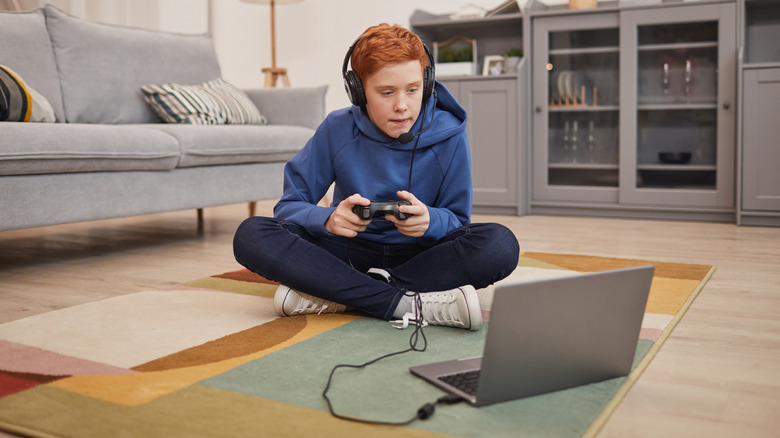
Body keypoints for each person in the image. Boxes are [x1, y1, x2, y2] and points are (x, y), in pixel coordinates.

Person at [233, 23, 519, 331]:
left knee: (500, 244)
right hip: (346, 251)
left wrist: (429, 221)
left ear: (427, 82)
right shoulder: (336, 128)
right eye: (386, 92)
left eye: (413, 90)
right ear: (358, 91)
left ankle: (338, 295)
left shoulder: (450, 134)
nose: (402, 105)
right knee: (251, 234)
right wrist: (328, 220)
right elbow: (290, 206)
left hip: (422, 258)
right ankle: (404, 302)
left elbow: (457, 221)